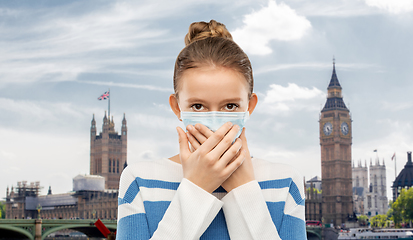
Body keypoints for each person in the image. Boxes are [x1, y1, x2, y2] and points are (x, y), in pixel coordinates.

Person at [116, 20, 307, 240]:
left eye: (230, 106)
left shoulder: (285, 183)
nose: (215, 121)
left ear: (250, 106)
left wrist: (244, 192)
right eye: (198, 106)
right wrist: (196, 188)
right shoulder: (139, 181)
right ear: (177, 107)